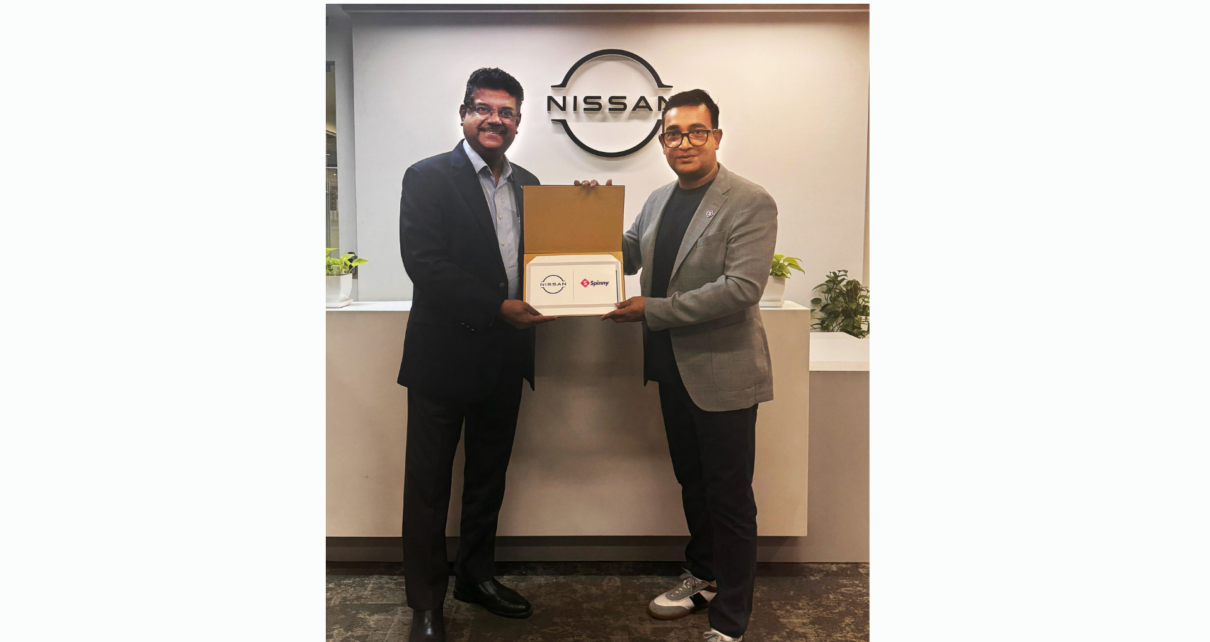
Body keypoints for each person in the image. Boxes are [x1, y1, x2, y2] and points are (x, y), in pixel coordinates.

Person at [603, 89, 778, 642]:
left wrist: (652, 310)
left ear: (716, 137)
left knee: (729, 496)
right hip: (671, 368)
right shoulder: (658, 200)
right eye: (673, 134)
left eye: (696, 132)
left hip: (724, 373)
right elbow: (625, 253)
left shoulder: (750, 200)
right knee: (693, 483)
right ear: (662, 142)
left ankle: (731, 618)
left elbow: (741, 288)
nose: (684, 143)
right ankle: (702, 575)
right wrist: (587, 215)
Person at [395, 68, 553, 642]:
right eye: (484, 108)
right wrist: (497, 307)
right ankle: (425, 604)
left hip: (503, 358)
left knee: (488, 478)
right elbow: (424, 263)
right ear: (464, 114)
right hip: (442, 357)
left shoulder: (530, 184)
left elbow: (550, 258)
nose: (495, 119)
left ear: (518, 122)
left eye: (506, 112)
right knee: (429, 486)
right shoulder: (427, 177)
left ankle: (475, 577)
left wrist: (585, 208)